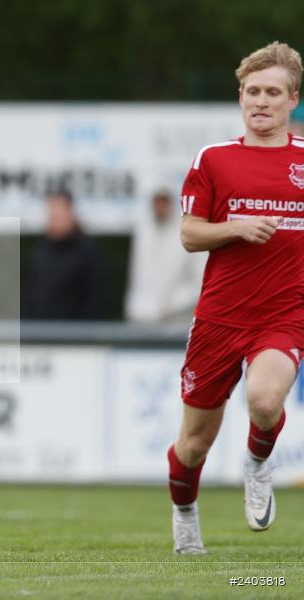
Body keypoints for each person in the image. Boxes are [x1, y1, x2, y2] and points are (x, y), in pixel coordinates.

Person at [168, 41, 304, 554]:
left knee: (265, 401)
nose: (261, 101)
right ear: (241, 96)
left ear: (292, 99)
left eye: (273, 92)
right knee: (193, 444)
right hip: (219, 317)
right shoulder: (215, 159)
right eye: (252, 91)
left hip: (286, 313)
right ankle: (185, 513)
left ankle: (257, 463)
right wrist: (236, 227)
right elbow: (189, 234)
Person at [124, 188, 206, 324]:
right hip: (141, 319)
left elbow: (200, 280)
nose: (161, 207)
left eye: (165, 201)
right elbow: (137, 277)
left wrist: (174, 304)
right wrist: (135, 308)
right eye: (157, 201)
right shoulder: (143, 232)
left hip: (177, 320)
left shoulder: (188, 233)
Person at [26, 190, 106, 320]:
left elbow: (94, 300)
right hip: (39, 329)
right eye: (52, 215)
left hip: (73, 330)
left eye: (59, 214)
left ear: (71, 214)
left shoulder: (87, 252)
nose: (55, 220)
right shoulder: (40, 250)